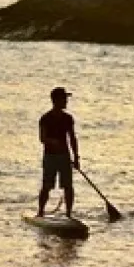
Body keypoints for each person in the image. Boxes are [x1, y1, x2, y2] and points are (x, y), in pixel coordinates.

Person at [37, 87, 80, 218]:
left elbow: (72, 138)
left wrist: (76, 157)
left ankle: (68, 213)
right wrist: (52, 141)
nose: (66, 101)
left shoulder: (68, 118)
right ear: (56, 100)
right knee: (47, 186)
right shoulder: (45, 118)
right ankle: (40, 212)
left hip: (65, 157)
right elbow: (42, 138)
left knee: (68, 186)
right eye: (64, 99)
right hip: (50, 157)